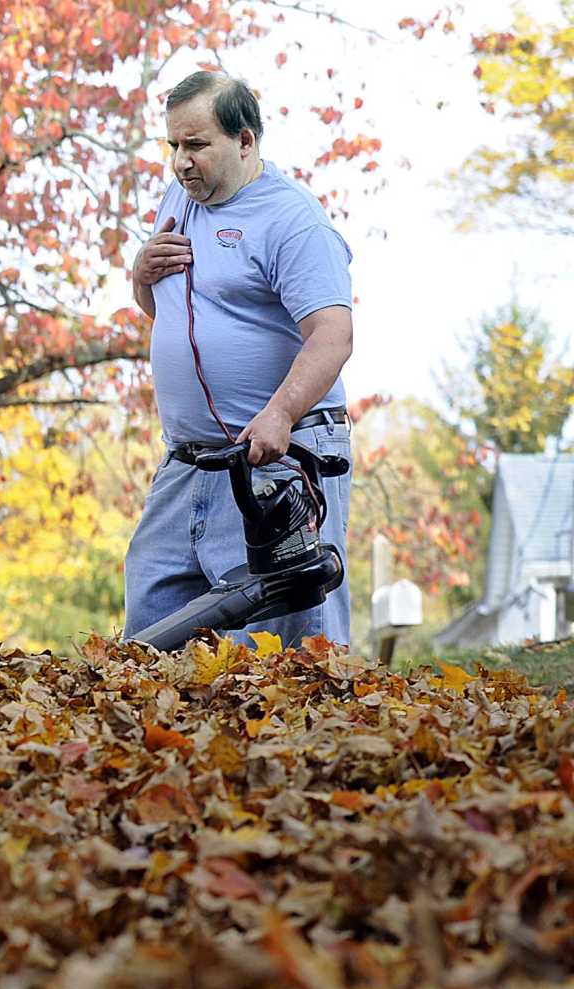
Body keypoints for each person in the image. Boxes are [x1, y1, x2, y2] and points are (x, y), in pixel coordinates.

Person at [123, 70, 356, 649]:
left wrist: (279, 413)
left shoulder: (294, 221)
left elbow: (333, 334)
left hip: (276, 461)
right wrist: (141, 276)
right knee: (146, 646)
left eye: (196, 145)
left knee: (283, 666)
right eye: (174, 145)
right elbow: (174, 315)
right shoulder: (179, 198)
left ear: (245, 141)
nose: (181, 161)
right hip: (187, 465)